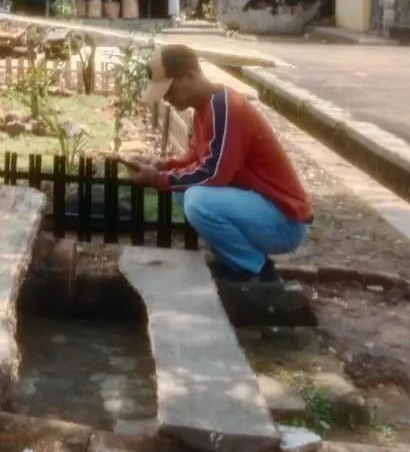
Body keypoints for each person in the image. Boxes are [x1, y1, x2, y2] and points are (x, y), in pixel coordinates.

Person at [125, 44, 313, 283]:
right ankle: (239, 262)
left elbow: (215, 173)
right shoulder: (208, 107)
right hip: (267, 211)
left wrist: (158, 179)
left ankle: (255, 269)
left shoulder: (225, 108)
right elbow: (197, 158)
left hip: (286, 222)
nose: (166, 98)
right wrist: (163, 166)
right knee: (182, 192)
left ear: (190, 76)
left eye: (168, 90)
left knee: (197, 200)